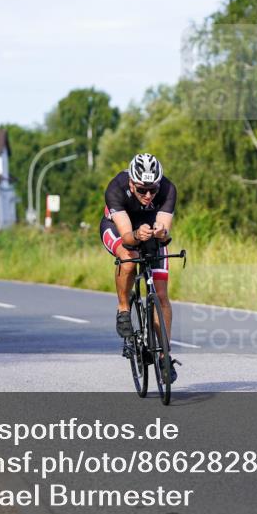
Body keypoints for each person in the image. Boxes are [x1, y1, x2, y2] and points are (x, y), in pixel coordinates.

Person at [100, 153, 179, 382]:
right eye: (142, 190)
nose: (148, 195)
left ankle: (165, 355)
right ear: (132, 183)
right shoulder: (116, 188)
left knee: (161, 295)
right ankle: (124, 308)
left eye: (152, 190)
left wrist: (161, 233)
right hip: (120, 229)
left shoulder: (167, 189)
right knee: (128, 255)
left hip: (149, 231)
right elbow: (126, 236)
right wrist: (136, 234)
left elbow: (164, 231)